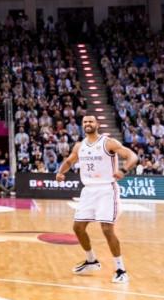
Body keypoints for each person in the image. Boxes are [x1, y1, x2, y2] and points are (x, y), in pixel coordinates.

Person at [56, 115, 138, 284]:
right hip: (88, 190)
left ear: (97, 124)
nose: (87, 124)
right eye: (85, 122)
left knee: (107, 229)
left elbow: (133, 157)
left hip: (106, 189)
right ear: (82, 125)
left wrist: (123, 170)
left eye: (90, 121)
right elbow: (70, 161)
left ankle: (121, 269)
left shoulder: (108, 143)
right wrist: (60, 172)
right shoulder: (80, 146)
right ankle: (91, 260)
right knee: (78, 227)